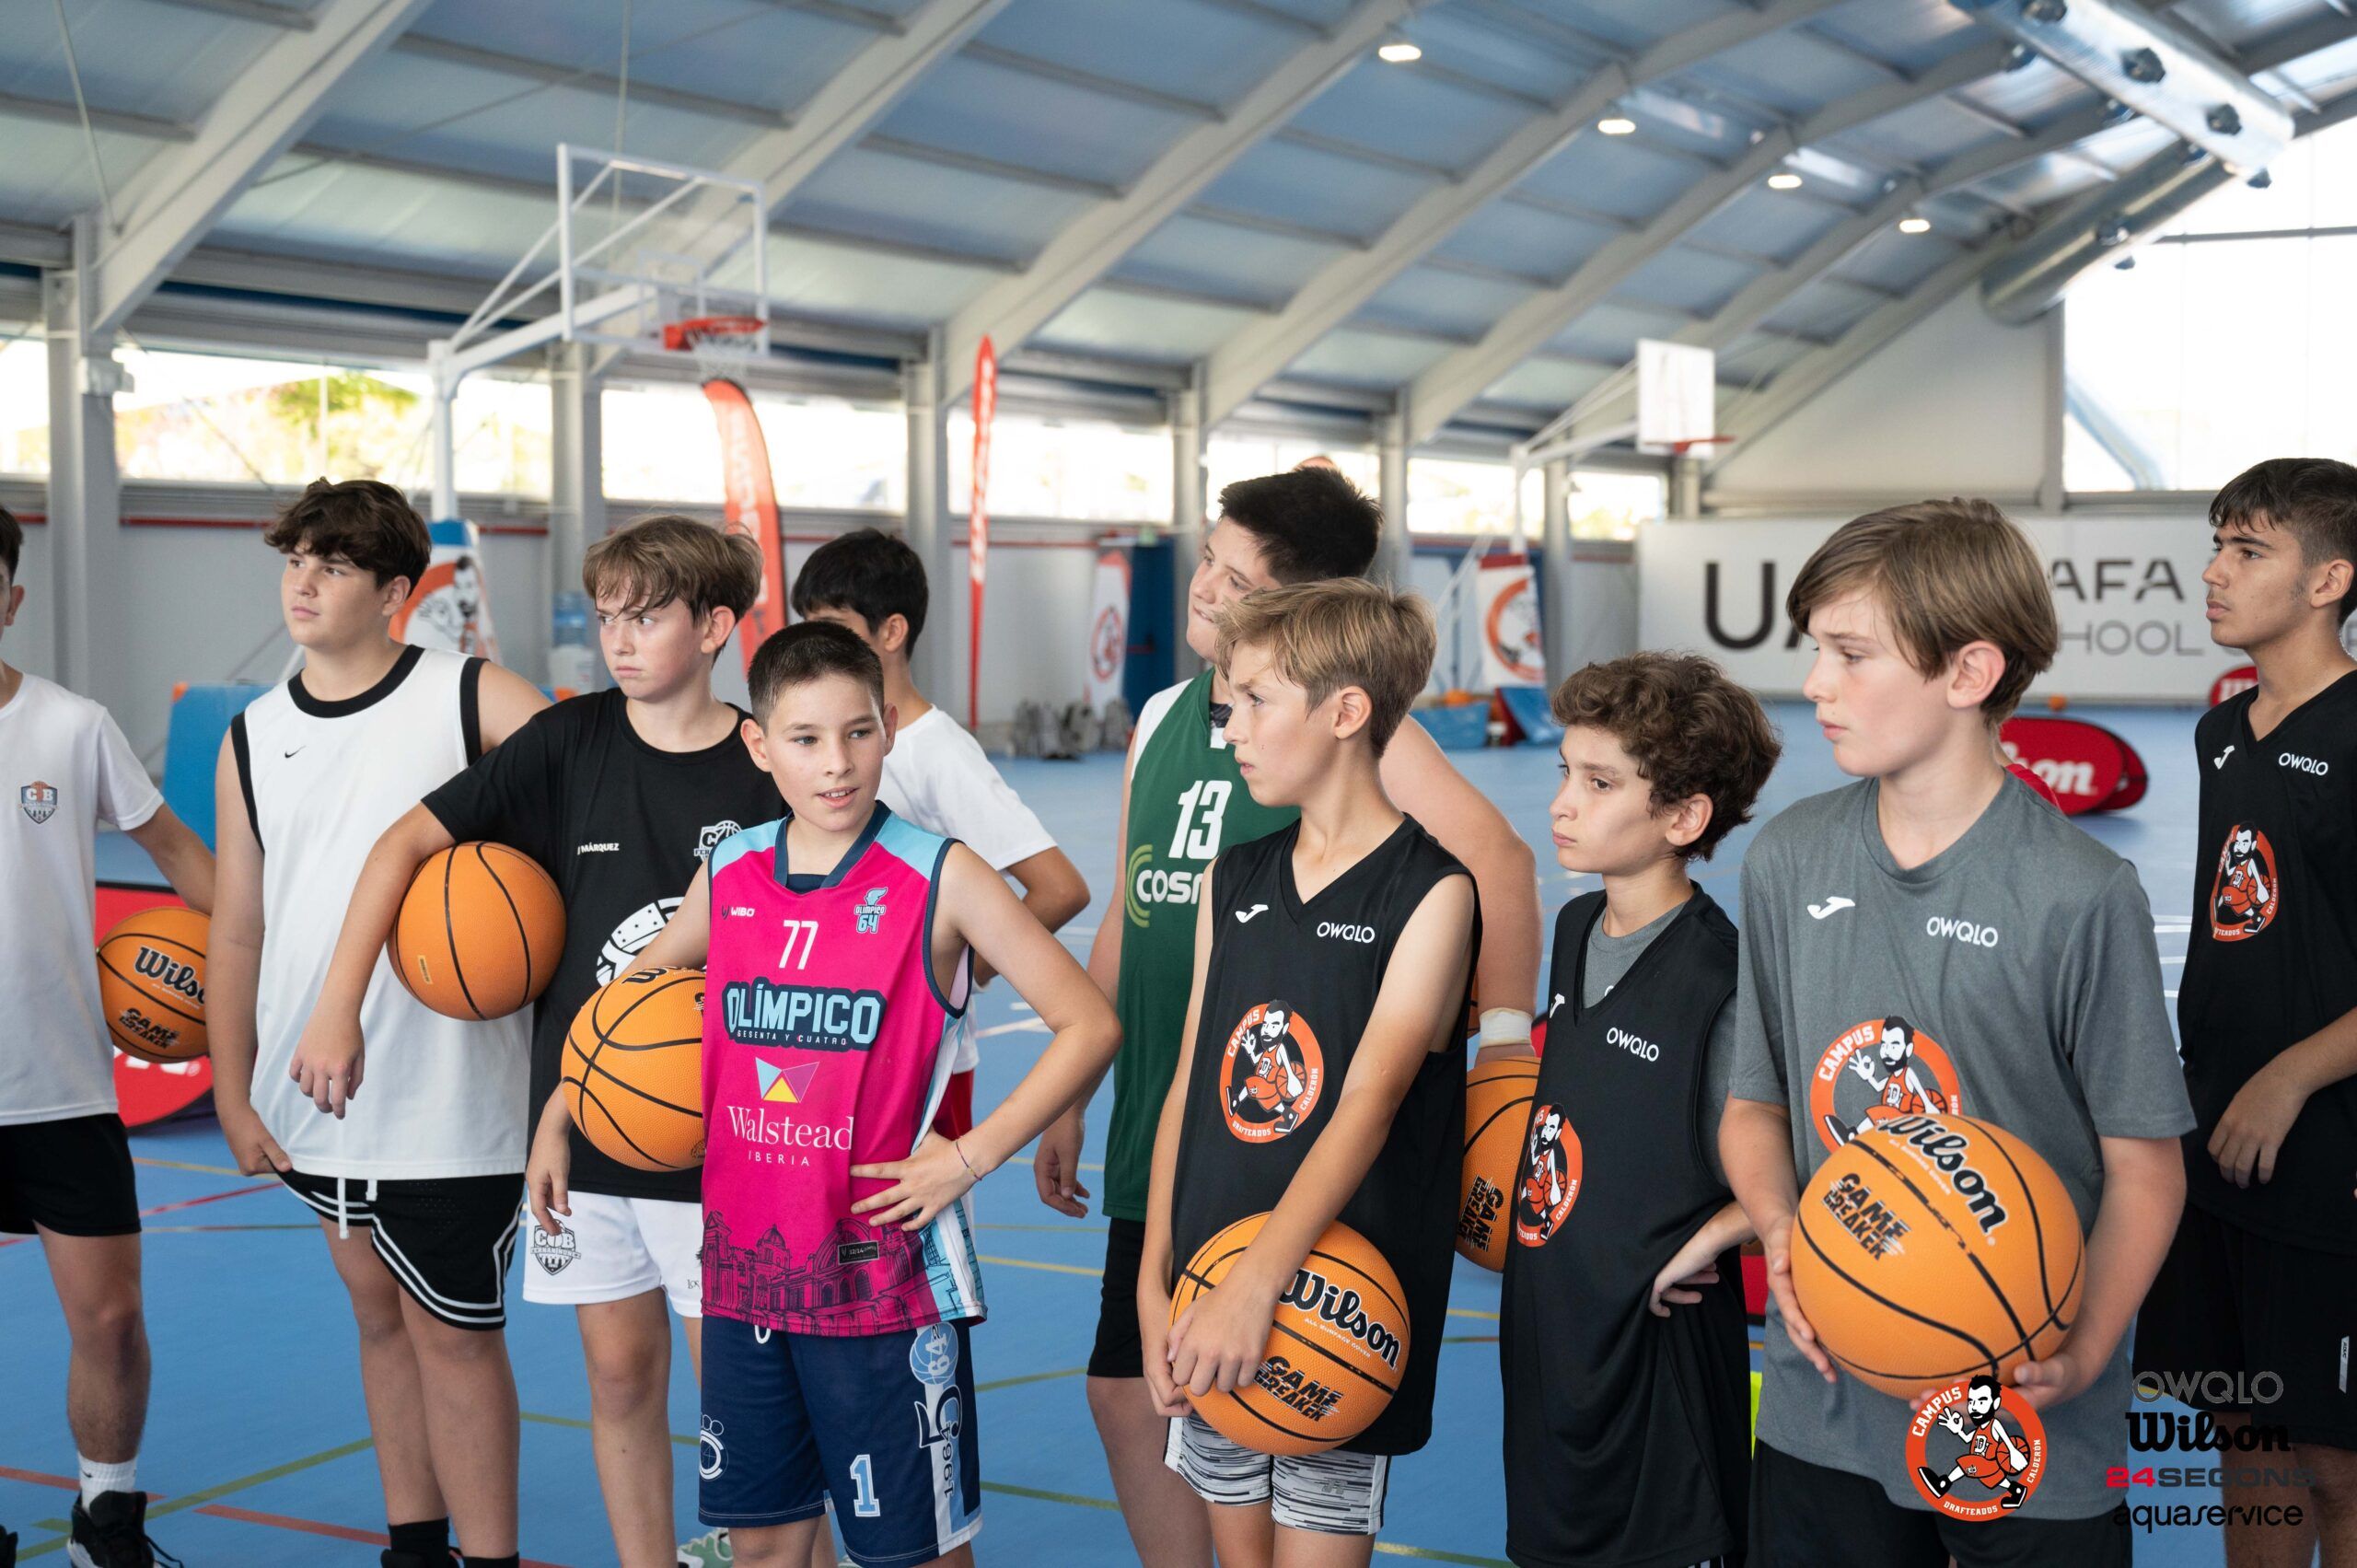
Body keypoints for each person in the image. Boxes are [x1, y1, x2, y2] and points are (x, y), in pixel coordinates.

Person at [1035, 468, 1538, 1568]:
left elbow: (1492, 866)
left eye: (1236, 575)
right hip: (1188, 1142)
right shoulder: (1176, 733)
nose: (1205, 585)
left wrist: (1503, 1057)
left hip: (1317, 1196)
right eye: (1206, 559)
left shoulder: (1377, 785)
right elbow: (1133, 907)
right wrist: (1076, 1091)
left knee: (1263, 1445)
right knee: (1145, 1398)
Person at [296, 515, 779, 1568]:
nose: (619, 638)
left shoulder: (766, 765)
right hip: (584, 1125)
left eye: (646, 617)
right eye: (607, 616)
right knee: (617, 1374)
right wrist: (339, 1004)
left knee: (743, 1400)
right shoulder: (568, 740)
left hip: (729, 1137)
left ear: (713, 626)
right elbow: (403, 843)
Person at [1717, 498, 2193, 1566]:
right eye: (1815, 650)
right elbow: (1753, 1102)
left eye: (1850, 654)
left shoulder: (2077, 892)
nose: (1814, 684)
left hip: (2020, 1425)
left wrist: (2079, 1353)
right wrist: (1783, 1230)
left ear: (1969, 672)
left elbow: (2145, 1169)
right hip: (1822, 1406)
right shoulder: (1788, 857)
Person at [618, 621, 1120, 1568]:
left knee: (914, 1553)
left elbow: (1089, 1021)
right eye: (805, 738)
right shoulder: (729, 870)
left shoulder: (943, 873)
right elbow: (627, 1006)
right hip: (745, 1269)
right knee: (764, 1545)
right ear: (759, 743)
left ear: (889, 726)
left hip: (884, 1280)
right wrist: (562, 1114)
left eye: (857, 732)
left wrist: (969, 1155)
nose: (837, 763)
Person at [209, 479, 546, 1568]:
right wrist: (231, 1087)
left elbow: (589, 790)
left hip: (452, 1090)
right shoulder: (252, 735)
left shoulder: (472, 695)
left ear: (396, 592)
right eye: (295, 559)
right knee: (376, 1317)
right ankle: (415, 1544)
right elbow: (238, 930)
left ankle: (488, 1556)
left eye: (336, 564)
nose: (303, 581)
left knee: (455, 1335)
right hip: (316, 1093)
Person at [1139, 580, 1478, 1567]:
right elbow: (1189, 1084)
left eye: (1255, 700)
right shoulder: (1232, 877)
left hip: (1334, 1306)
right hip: (1209, 1285)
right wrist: (1158, 1276)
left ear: (1345, 711)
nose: (1231, 727)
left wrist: (1258, 1283)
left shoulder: (1433, 893)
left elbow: (1367, 1104)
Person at [1499, 652, 1780, 1568]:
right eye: (1565, 772)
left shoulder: (1719, 979)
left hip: (1658, 1372)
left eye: (1599, 781)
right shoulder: (1576, 927)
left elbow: (1811, 1157)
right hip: (1554, 1349)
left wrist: (1711, 1239)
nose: (1561, 803)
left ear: (1683, 817)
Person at [2137, 457, 2357, 1567]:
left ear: (2328, 580)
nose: (2214, 571)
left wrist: (2290, 1074)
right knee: (2245, 1427)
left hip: (2326, 1148)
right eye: (2217, 545)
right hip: (2216, 1138)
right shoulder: (2220, 733)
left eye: (2248, 549)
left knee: (2334, 1457)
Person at [0, 505, 215, 1568]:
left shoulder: (71, 725)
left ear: (10, 600)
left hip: (61, 1084)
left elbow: (179, 854)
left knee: (112, 1319)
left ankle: (107, 1518)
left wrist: (298, 951)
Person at [790, 526, 1091, 1134]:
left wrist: (955, 974)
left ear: (891, 632)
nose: (814, 645)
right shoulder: (822, 748)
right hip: (837, 1038)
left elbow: (1060, 887)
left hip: (924, 1062)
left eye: (834, 627)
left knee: (922, 1198)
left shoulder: (938, 751)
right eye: (807, 626)